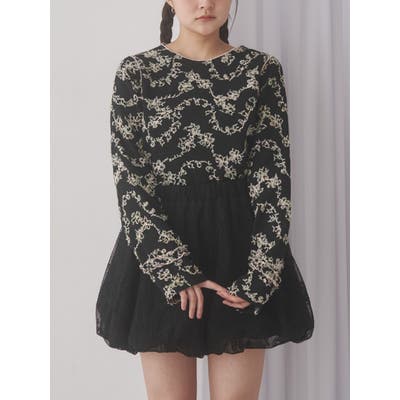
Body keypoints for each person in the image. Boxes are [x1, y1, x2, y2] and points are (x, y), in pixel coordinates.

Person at [95, 0, 314, 398]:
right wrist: (171, 268)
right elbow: (131, 182)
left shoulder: (260, 71)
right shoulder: (137, 72)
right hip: (161, 257)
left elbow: (272, 180)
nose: (205, 3)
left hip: (240, 255)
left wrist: (260, 274)